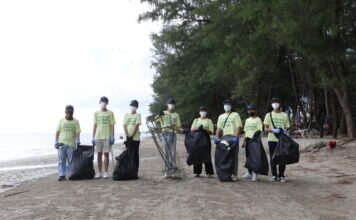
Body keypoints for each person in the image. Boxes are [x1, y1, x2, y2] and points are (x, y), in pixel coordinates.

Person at [156, 98, 187, 179]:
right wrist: (159, 114)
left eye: (173, 104)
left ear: (174, 106)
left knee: (172, 153)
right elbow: (155, 119)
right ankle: (166, 172)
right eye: (170, 103)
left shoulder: (176, 115)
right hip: (165, 133)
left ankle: (172, 171)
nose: (171, 105)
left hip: (173, 134)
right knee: (165, 152)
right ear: (167, 104)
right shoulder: (163, 113)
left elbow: (178, 126)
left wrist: (183, 130)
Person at [263, 97, 290, 183]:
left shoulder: (284, 115)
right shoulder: (268, 115)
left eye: (277, 102)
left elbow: (287, 127)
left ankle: (281, 175)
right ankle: (274, 175)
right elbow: (265, 129)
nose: (275, 103)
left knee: (282, 157)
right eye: (273, 102)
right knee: (273, 157)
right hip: (272, 139)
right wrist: (273, 130)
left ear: (280, 103)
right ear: (271, 104)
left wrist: (285, 131)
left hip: (282, 140)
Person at [215, 99, 242, 181]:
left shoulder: (235, 115)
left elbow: (238, 126)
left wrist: (236, 137)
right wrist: (216, 137)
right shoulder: (221, 116)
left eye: (228, 104)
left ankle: (234, 174)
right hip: (224, 138)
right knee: (224, 156)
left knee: (234, 156)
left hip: (233, 137)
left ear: (231, 106)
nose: (227, 106)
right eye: (225, 104)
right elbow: (219, 128)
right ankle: (225, 173)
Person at [55, 105, 81, 181]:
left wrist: (78, 140)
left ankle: (70, 174)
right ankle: (62, 175)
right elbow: (57, 131)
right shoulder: (61, 121)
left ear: (73, 112)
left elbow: (77, 131)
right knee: (61, 161)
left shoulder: (76, 121)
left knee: (70, 161)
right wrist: (56, 141)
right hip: (62, 144)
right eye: (68, 112)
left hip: (71, 144)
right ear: (65, 112)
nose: (69, 114)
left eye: (71, 112)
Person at [92, 96, 116, 179]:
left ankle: (105, 172)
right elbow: (95, 125)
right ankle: (99, 172)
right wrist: (93, 137)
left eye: (105, 102)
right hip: (98, 136)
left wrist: (112, 136)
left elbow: (112, 125)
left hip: (107, 136)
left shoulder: (110, 113)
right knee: (99, 154)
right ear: (100, 102)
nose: (104, 103)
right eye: (102, 101)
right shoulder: (96, 113)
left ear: (107, 103)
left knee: (106, 154)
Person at [190, 106, 214, 178]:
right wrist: (198, 128)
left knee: (207, 155)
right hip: (197, 138)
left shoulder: (209, 120)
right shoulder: (196, 120)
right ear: (199, 112)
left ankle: (209, 172)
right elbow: (192, 129)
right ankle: (197, 172)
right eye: (201, 111)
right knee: (197, 155)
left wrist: (204, 129)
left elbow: (211, 131)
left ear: (206, 112)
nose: (203, 112)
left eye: (204, 111)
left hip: (206, 138)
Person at [241, 103, 263, 181]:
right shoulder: (247, 120)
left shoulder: (258, 120)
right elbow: (245, 131)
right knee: (248, 157)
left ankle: (255, 173)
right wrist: (244, 141)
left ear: (255, 111)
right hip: (248, 140)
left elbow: (259, 131)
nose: (250, 111)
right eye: (249, 110)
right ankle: (249, 172)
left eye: (252, 110)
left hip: (255, 140)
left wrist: (255, 139)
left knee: (254, 157)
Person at [123, 100, 142, 174]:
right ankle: (128, 170)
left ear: (136, 107)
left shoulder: (138, 115)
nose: (132, 107)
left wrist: (132, 135)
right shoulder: (126, 115)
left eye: (134, 106)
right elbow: (124, 125)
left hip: (135, 138)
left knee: (135, 154)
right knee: (128, 154)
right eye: (131, 106)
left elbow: (137, 125)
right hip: (127, 138)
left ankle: (135, 171)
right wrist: (127, 135)